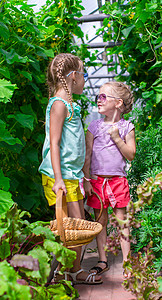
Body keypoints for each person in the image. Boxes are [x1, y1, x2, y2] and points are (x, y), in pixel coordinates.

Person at [39, 53, 102, 284]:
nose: (85, 79)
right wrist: (58, 179)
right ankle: (63, 272)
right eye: (83, 73)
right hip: (60, 177)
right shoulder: (58, 104)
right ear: (73, 76)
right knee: (72, 229)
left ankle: (71, 271)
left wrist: (82, 176)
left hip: (71, 175)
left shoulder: (67, 104)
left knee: (76, 229)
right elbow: (54, 144)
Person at [83, 81, 136, 277]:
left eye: (104, 96)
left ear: (118, 103)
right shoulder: (93, 127)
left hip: (117, 181)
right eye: (99, 95)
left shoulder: (126, 127)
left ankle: (127, 263)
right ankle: (102, 260)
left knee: (123, 222)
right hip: (97, 182)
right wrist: (86, 179)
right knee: (100, 222)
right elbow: (87, 155)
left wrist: (117, 138)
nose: (99, 99)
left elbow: (130, 154)